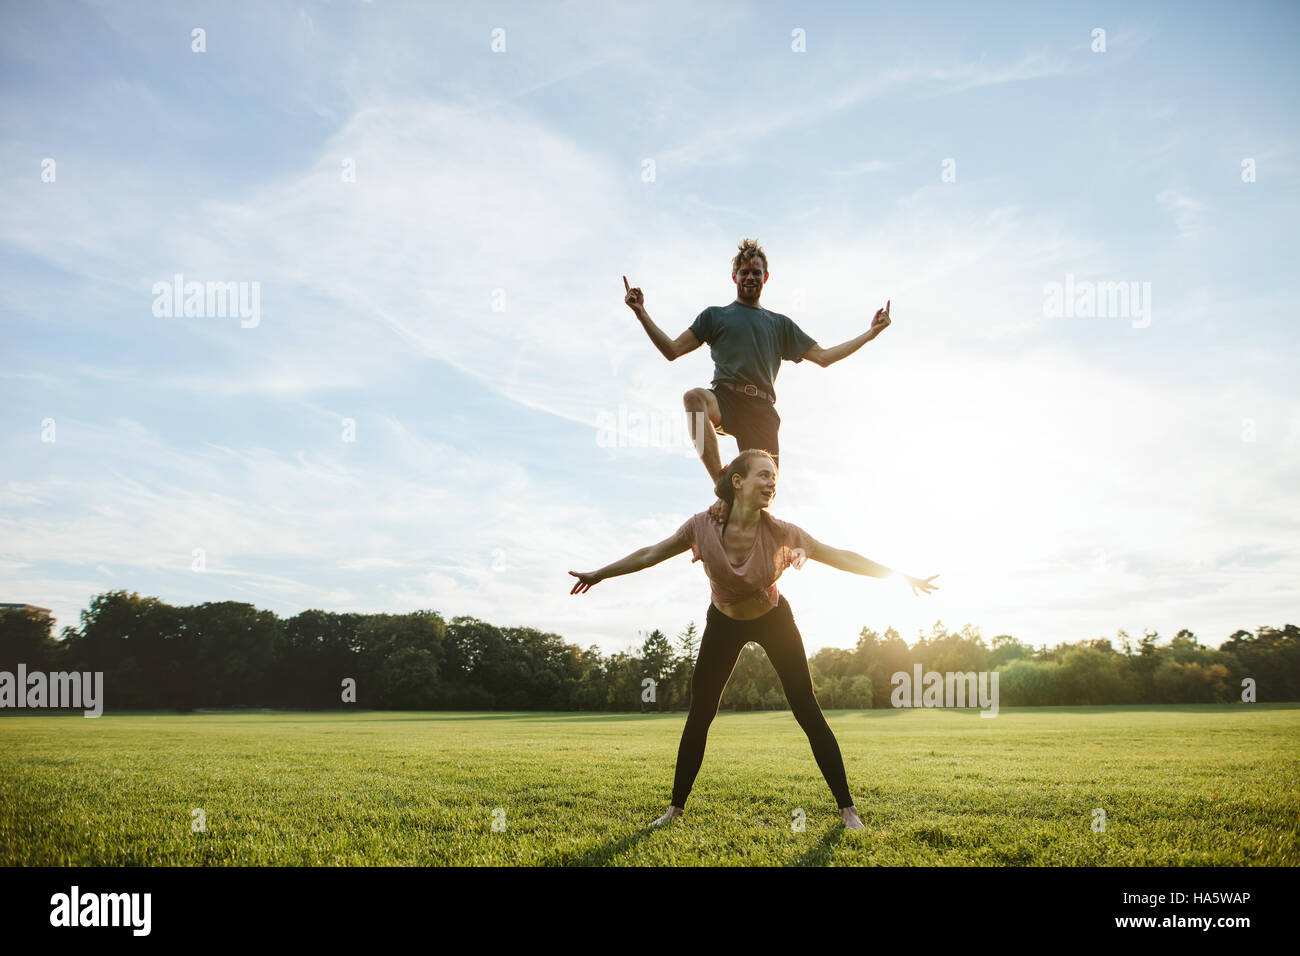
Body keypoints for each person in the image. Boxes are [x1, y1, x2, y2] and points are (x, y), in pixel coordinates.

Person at [568, 448, 939, 830]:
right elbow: (651, 553)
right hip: (724, 621)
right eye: (763, 475)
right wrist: (600, 573)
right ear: (737, 481)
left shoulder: (783, 533)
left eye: (774, 478)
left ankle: (849, 811)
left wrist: (900, 576)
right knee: (700, 713)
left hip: (773, 619)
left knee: (806, 708)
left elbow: (840, 556)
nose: (771, 483)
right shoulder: (701, 526)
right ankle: (674, 809)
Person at [623, 238, 892, 484]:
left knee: (761, 492)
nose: (750, 277)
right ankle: (721, 484)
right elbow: (672, 350)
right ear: (734, 276)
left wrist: (871, 334)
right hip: (726, 399)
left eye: (756, 272)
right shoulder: (715, 316)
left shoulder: (779, 324)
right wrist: (641, 313)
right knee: (694, 398)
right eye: (745, 272)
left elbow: (824, 357)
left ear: (766, 277)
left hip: (761, 410)